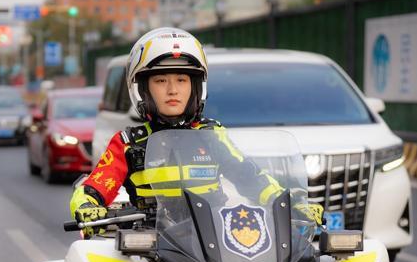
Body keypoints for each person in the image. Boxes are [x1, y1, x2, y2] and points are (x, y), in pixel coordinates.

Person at [69, 27, 323, 236]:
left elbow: (251, 177)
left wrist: (291, 206)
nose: (172, 90)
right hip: (148, 245)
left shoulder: (212, 135)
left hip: (213, 241)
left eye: (182, 80)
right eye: (160, 81)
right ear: (143, 89)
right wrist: (86, 206)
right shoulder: (128, 143)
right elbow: (92, 188)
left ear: (196, 87)